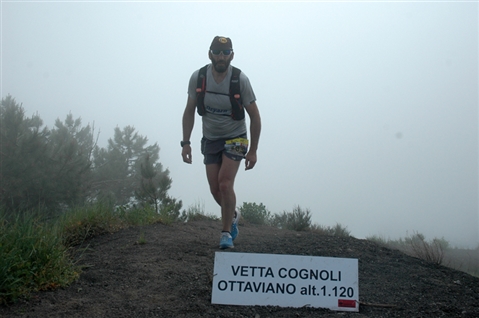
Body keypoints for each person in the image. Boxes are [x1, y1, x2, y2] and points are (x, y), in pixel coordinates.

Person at [181, 36, 261, 249]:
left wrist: (253, 151)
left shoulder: (240, 80)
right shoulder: (198, 78)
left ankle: (226, 234)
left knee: (225, 183)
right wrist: (185, 143)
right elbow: (189, 111)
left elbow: (255, 116)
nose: (221, 56)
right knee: (215, 189)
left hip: (236, 137)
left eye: (226, 53)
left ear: (232, 55)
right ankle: (233, 215)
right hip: (211, 138)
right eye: (217, 51)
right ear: (210, 54)